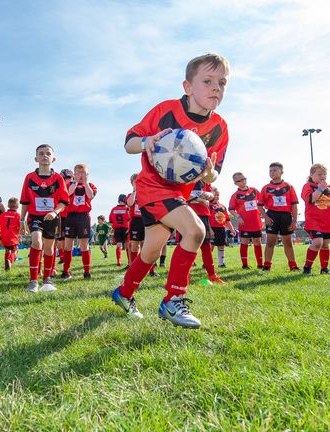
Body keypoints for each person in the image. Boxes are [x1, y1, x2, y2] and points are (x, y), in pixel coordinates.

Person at [111, 53, 230, 329]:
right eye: (208, 81)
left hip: (179, 193)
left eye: (222, 83)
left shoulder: (220, 128)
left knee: (151, 252)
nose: (216, 88)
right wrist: (146, 141)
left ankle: (124, 293)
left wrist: (208, 172)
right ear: (187, 87)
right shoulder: (165, 110)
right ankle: (173, 299)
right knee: (195, 230)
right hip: (152, 186)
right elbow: (129, 143)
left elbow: (215, 173)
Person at [19, 144, 70, 293]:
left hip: (52, 217)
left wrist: (55, 212)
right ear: (36, 158)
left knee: (48, 248)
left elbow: (64, 201)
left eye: (48, 153)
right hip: (35, 217)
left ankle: (47, 279)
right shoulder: (29, 178)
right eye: (41, 154)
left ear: (53, 158)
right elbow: (25, 201)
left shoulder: (58, 178)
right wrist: (22, 220)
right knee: (36, 241)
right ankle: (33, 281)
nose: (44, 156)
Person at [258, 162, 300, 272]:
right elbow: (260, 205)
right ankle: (266, 266)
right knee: (270, 242)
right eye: (270, 170)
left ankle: (293, 265)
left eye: (275, 170)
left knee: (288, 242)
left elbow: (294, 205)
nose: (272, 172)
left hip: (286, 216)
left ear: (281, 172)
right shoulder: (266, 188)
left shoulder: (289, 187)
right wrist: (266, 217)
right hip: (272, 216)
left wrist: (294, 221)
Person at [301, 163, 330, 275]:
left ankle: (324, 269)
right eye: (319, 174)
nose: (322, 176)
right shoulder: (308, 186)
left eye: (324, 174)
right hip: (314, 221)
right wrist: (319, 189)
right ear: (312, 175)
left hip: (327, 221)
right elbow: (310, 199)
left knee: (325, 245)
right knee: (317, 242)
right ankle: (307, 267)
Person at [61, 163, 98, 280]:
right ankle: (66, 271)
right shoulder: (69, 184)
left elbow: (90, 195)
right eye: (78, 173)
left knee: (84, 245)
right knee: (68, 245)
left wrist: (85, 182)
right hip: (71, 216)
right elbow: (68, 194)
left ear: (87, 174)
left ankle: (87, 271)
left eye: (83, 173)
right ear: (74, 174)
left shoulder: (90, 185)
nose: (81, 176)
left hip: (84, 217)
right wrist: (75, 182)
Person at [229, 172, 264, 270]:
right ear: (235, 183)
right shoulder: (235, 195)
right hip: (244, 223)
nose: (242, 182)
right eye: (239, 181)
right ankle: (245, 265)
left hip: (256, 222)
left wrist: (262, 212)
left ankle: (260, 264)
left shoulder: (254, 191)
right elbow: (231, 209)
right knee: (244, 242)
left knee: (257, 242)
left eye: (243, 179)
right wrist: (238, 217)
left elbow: (262, 202)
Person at [208, 187, 235, 268]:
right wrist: (210, 230)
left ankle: (221, 263)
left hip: (221, 229)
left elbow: (227, 219)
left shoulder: (222, 206)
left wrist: (232, 229)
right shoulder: (208, 205)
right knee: (211, 246)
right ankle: (207, 264)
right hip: (212, 228)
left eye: (218, 195)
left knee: (221, 246)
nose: (216, 197)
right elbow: (207, 219)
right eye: (214, 195)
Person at [0, 197, 22, 271]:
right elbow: (21, 226)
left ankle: (7, 265)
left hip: (4, 237)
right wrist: (23, 231)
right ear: (18, 206)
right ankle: (10, 260)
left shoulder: (3, 215)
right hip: (13, 238)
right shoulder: (18, 215)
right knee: (15, 251)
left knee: (7, 250)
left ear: (8, 206)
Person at [108, 194, 130, 266]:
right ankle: (129, 261)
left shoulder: (113, 209)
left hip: (117, 229)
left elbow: (111, 220)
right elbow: (129, 219)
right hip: (126, 228)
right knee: (127, 246)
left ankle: (118, 261)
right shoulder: (127, 209)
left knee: (119, 245)